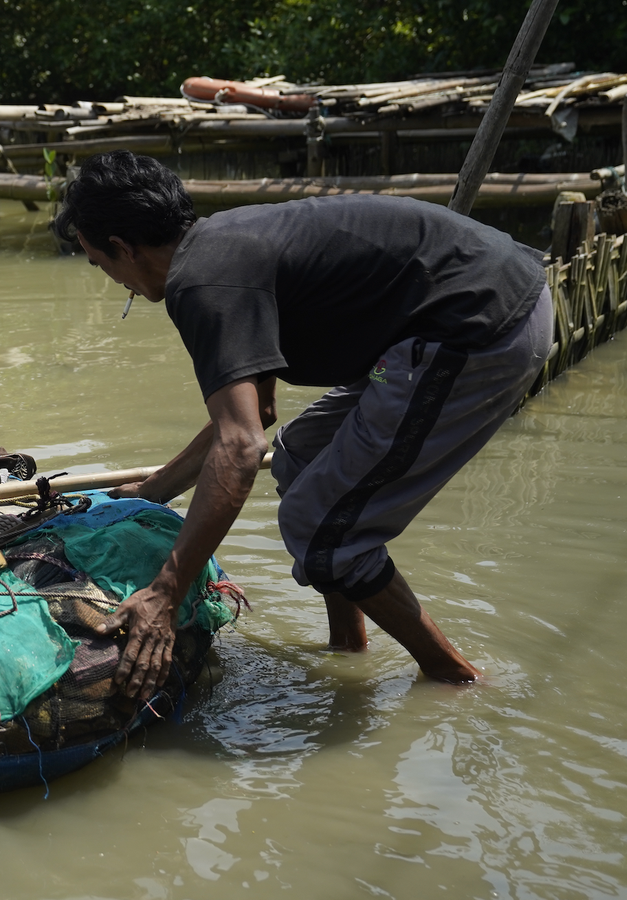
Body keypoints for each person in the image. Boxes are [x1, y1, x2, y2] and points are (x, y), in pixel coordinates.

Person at [55, 150, 551, 699]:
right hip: (465, 311)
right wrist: (154, 492)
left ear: (125, 248)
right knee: (302, 459)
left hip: (478, 327)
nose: (112, 279)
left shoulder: (202, 286)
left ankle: (457, 679)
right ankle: (349, 647)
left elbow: (240, 447)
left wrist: (164, 593)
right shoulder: (219, 249)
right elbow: (256, 418)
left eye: (102, 265)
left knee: (319, 528)